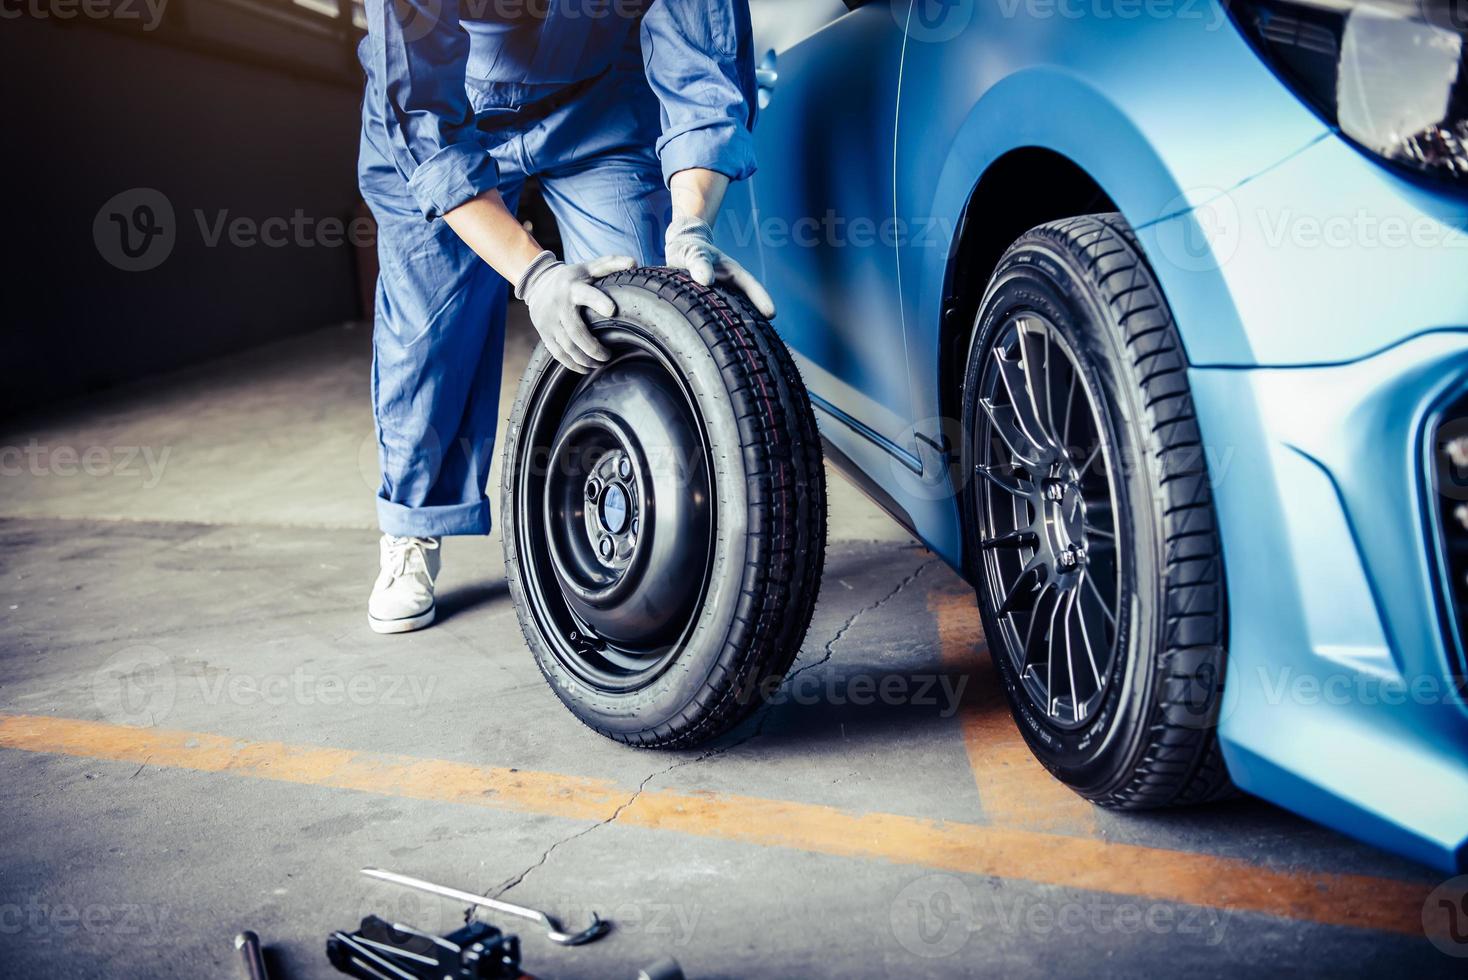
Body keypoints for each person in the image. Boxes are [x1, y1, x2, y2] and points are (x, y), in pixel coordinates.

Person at [358, 0, 775, 633]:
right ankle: (413, 527)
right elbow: (420, 117)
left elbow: (702, 62)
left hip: (594, 103)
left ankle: (647, 524)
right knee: (427, 339)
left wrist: (691, 222)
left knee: (637, 312)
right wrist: (534, 273)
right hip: (444, 116)